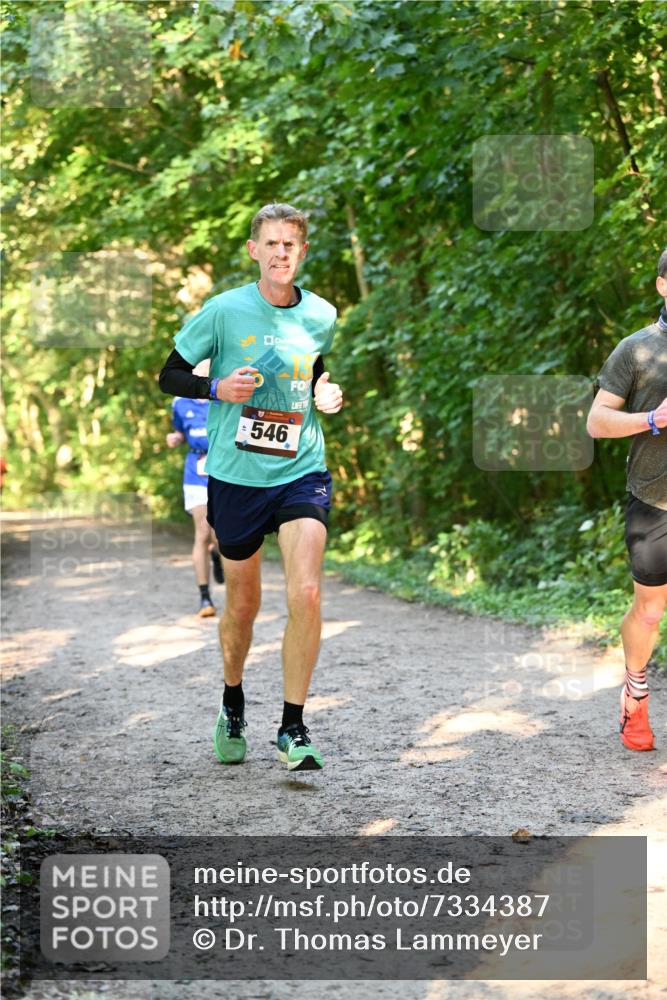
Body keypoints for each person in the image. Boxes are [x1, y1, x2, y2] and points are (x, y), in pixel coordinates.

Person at [159, 202, 343, 771]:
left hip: (300, 469)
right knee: (242, 603)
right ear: (254, 250)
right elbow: (168, 373)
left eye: (291, 243)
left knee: (306, 592)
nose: (281, 252)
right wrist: (217, 387)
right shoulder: (224, 311)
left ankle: (292, 726)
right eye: (271, 243)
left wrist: (326, 394)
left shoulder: (322, 314)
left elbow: (313, 370)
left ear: (303, 252)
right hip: (236, 476)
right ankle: (233, 701)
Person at [587, 248, 667, 751]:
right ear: (662, 285)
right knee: (650, 610)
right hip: (655, 500)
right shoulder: (637, 349)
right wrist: (652, 420)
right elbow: (596, 422)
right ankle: (635, 689)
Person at [166, 359, 224, 617]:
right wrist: (175, 438)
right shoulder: (180, 402)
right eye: (199, 368)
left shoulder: (225, 396)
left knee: (220, 535)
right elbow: (180, 431)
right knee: (202, 532)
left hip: (224, 469)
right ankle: (205, 598)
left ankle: (219, 555)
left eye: (208, 367)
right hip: (196, 470)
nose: (203, 371)